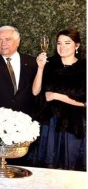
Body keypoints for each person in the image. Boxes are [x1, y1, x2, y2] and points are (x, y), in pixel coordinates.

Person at [28, 29, 86, 171]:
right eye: (59, 43)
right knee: (46, 169)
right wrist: (40, 68)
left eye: (67, 43)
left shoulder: (84, 68)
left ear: (76, 45)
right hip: (49, 124)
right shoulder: (50, 64)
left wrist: (57, 96)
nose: (62, 47)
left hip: (73, 125)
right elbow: (35, 91)